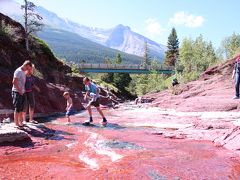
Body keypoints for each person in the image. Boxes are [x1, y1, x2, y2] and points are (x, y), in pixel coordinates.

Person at [12, 60, 33, 127]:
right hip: (17, 92)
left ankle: (20, 122)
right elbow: (14, 82)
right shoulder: (18, 71)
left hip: (22, 92)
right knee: (17, 108)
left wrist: (23, 91)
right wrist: (19, 90)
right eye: (28, 68)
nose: (28, 69)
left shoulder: (24, 71)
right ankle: (16, 124)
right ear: (26, 65)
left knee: (21, 108)